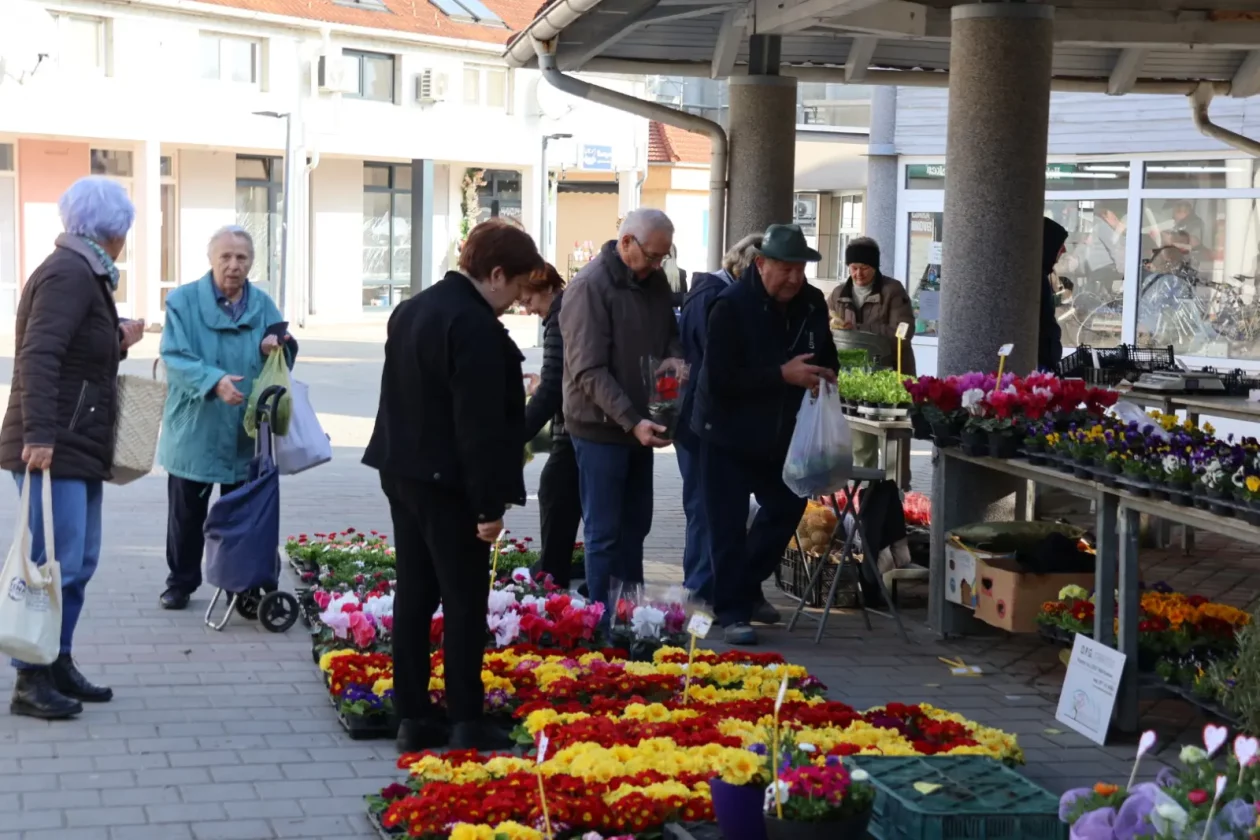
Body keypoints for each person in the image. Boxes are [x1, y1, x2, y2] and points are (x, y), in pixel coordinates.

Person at [363, 221, 540, 753]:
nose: (514, 302)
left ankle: (413, 716)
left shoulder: (415, 308)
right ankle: (466, 718)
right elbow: (478, 427)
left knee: (415, 595)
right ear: (495, 274)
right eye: (514, 289)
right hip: (451, 484)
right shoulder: (475, 325)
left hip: (403, 472)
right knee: (464, 601)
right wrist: (489, 505)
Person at [0, 176, 145, 718]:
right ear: (114, 231)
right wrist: (38, 435)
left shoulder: (84, 271)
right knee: (51, 563)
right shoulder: (69, 273)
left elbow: (78, 352)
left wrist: (116, 341)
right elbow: (38, 355)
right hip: (54, 444)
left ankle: (56, 658)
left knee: (76, 562)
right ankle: (30, 680)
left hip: (74, 440)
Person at [692, 224, 839, 646]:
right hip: (725, 433)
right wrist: (782, 374)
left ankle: (743, 586)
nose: (795, 279)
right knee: (725, 525)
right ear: (761, 264)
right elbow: (719, 379)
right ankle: (734, 612)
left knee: (787, 505)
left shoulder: (811, 304)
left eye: (801, 270)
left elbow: (825, 353)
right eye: (786, 269)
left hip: (781, 435)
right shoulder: (731, 305)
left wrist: (825, 375)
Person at [157, 226, 296, 611]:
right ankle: (181, 582)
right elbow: (174, 356)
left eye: (242, 258)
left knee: (242, 513)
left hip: (244, 431)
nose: (234, 266)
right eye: (226, 257)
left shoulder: (264, 305)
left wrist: (276, 346)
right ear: (211, 259)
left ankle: (245, 586)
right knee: (187, 514)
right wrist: (214, 381)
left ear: (251, 262)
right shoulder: (183, 302)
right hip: (196, 427)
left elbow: (282, 356)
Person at [560, 208, 684, 614]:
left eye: (663, 257)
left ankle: (632, 618)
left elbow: (671, 339)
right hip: (601, 429)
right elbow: (587, 369)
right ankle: (602, 622)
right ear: (627, 242)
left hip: (641, 426)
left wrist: (672, 375)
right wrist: (632, 420)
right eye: (652, 256)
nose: (657, 265)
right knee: (605, 533)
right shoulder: (589, 287)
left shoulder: (655, 282)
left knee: (636, 528)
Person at [674, 233, 762, 604]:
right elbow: (714, 363)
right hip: (700, 418)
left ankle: (718, 586)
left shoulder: (713, 293)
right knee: (704, 507)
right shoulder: (714, 298)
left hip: (704, 416)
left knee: (712, 507)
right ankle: (700, 589)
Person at [828, 237, 916, 486]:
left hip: (892, 376)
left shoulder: (892, 291)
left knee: (893, 450)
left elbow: (904, 331)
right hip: (855, 382)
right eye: (853, 267)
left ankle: (895, 497)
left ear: (875, 267)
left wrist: (860, 329)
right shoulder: (838, 294)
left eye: (864, 268)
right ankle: (862, 498)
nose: (858, 274)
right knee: (860, 445)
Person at [519, 263, 581, 589]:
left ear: (545, 288)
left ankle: (551, 577)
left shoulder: (559, 314)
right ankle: (551, 570)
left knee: (555, 489)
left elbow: (554, 386)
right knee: (559, 491)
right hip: (579, 423)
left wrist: (516, 434)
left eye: (529, 300)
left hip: (576, 428)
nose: (529, 310)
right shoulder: (565, 307)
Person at [1039, 217, 1070, 372]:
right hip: (1041, 363)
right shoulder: (1036, 279)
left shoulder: (1041, 277)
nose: (1064, 249)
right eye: (1060, 244)